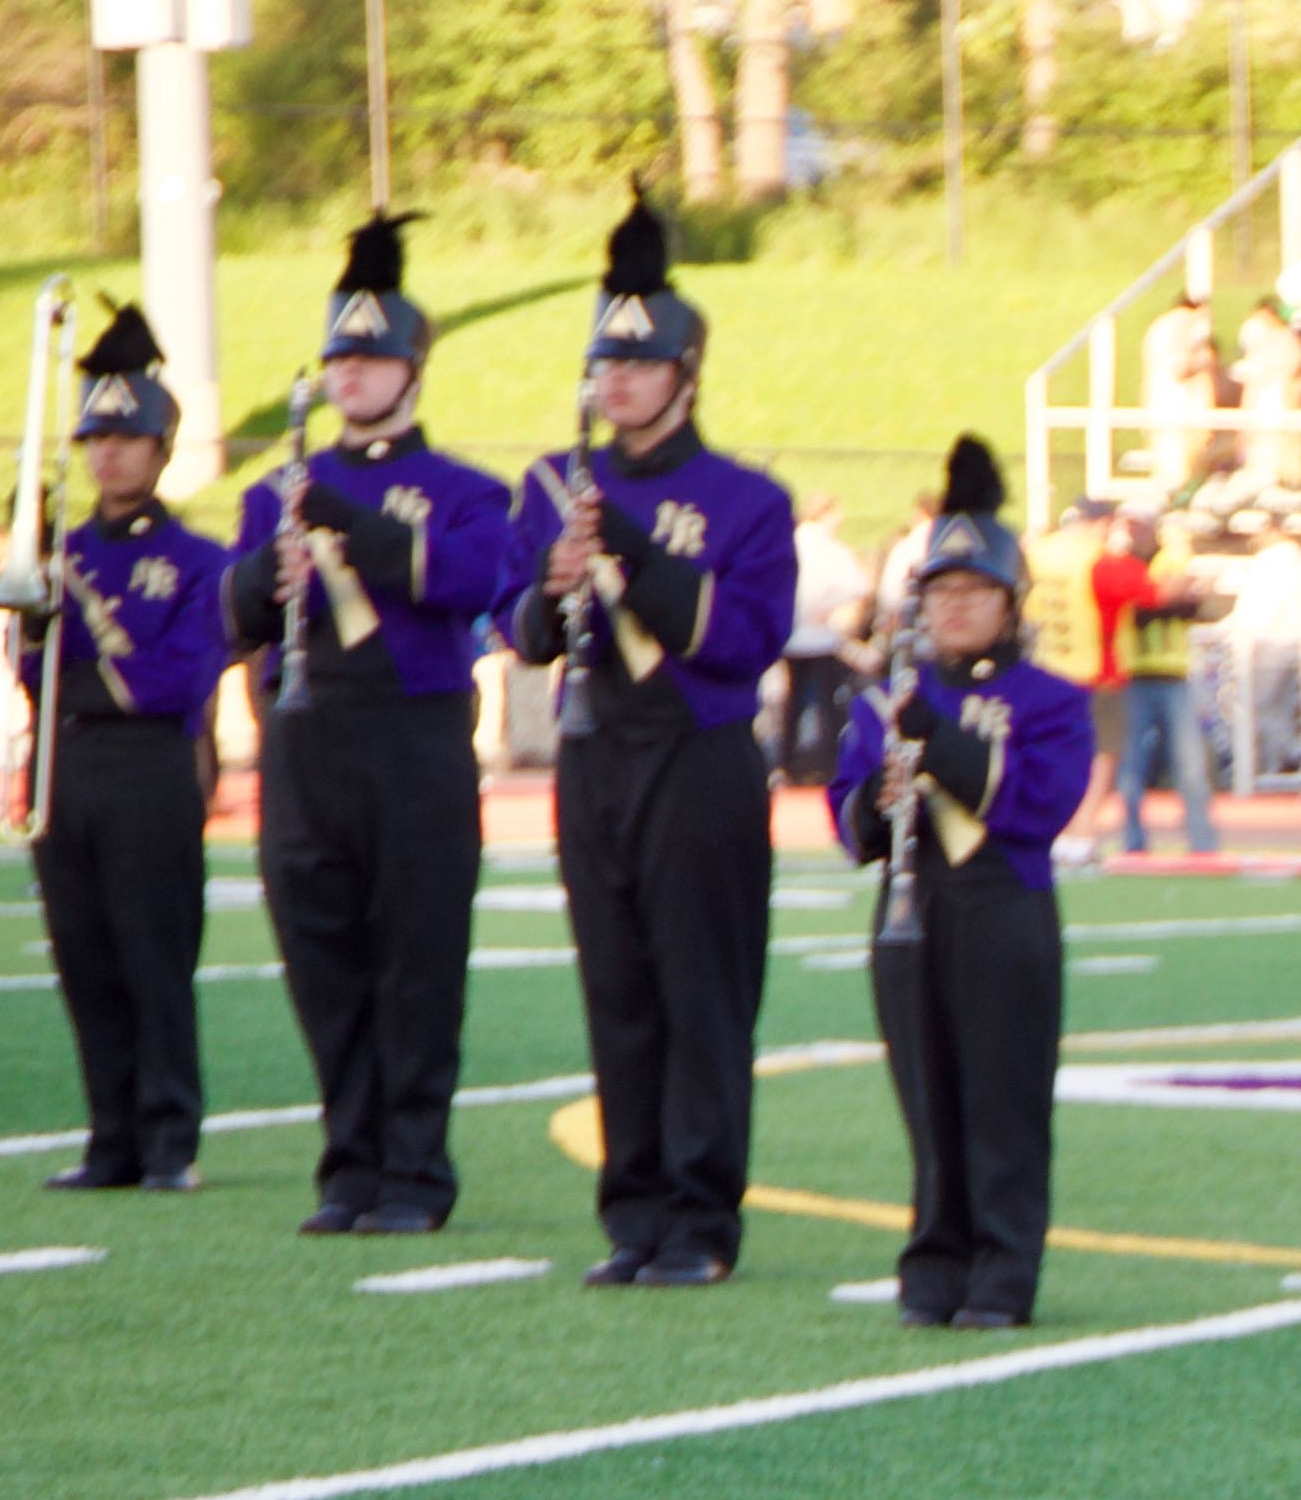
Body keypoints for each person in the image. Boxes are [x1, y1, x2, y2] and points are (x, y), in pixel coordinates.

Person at [508, 198, 801, 1287]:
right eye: (603, 363)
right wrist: (551, 589)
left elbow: (744, 638)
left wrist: (623, 548)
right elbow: (521, 629)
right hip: (595, 749)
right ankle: (632, 1212)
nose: (616, 381)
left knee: (700, 988)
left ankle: (701, 1217)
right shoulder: (553, 486)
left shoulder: (746, 499)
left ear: (685, 373)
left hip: (699, 753)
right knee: (617, 987)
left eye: (639, 363)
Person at [230, 214, 514, 1237]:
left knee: (416, 957)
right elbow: (235, 614)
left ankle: (414, 1170)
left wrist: (349, 526)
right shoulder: (275, 493)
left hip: (414, 737)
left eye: (373, 357)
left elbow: (476, 579)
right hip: (305, 738)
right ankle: (348, 1161)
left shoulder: (467, 489)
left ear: (413, 370)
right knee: (321, 951)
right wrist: (273, 571)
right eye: (341, 356)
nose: (351, 374)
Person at [827, 439, 1085, 1328]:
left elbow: (1039, 805)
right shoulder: (885, 702)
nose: (955, 607)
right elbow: (847, 821)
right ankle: (932, 1267)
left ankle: (1003, 1273)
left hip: (1003, 909)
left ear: (1011, 605)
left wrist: (934, 735)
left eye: (974, 593)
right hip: (912, 906)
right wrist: (877, 798)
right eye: (940, 592)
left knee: (1001, 1099)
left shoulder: (1052, 699)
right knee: (927, 1098)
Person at [0, 300, 233, 1188]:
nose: (107, 451)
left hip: (149, 766)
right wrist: (34, 619)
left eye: (127, 437)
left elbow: (179, 676)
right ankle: (111, 1137)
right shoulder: (58, 554)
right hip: (66, 764)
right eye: (95, 436)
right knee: (84, 955)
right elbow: (27, 674)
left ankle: (170, 1139)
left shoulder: (198, 559)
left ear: (161, 449)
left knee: (154, 954)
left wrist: (82, 658)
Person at [1094, 506, 1218, 856]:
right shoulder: (1121, 565)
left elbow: (1187, 606)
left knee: (1190, 765)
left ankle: (1203, 842)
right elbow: (1147, 609)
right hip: (1131, 674)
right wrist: (1169, 598)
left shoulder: (1169, 560)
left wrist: (1164, 600)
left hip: (1173, 673)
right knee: (1131, 767)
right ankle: (1134, 841)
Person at [782, 490, 869, 787]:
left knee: (792, 703)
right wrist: (828, 604)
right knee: (829, 703)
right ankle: (830, 763)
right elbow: (858, 584)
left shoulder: (790, 541)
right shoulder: (831, 548)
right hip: (822, 637)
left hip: (791, 637)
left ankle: (788, 762)